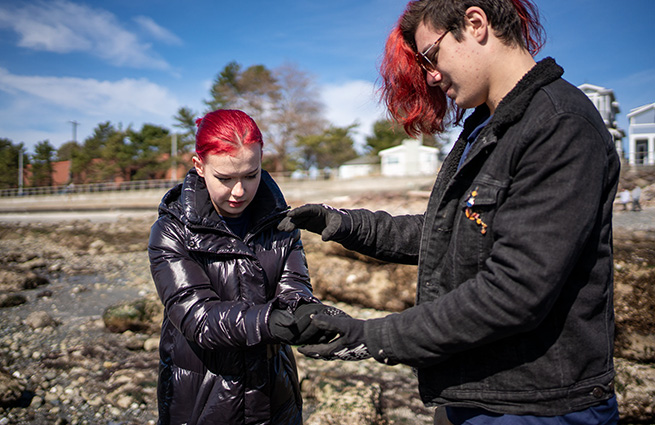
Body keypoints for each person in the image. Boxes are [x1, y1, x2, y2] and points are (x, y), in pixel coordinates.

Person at [279, 0, 620, 423]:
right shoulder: (484, 128)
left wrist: (372, 336)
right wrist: (344, 223)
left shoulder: (559, 124)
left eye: (430, 56)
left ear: (475, 24)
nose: (431, 75)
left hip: (539, 404)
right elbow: (450, 233)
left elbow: (515, 292)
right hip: (475, 395)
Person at [148, 109, 343, 425]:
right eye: (224, 178)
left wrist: (308, 314)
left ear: (261, 160)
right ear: (200, 167)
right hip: (201, 398)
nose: (239, 192)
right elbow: (198, 319)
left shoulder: (281, 223)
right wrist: (271, 322)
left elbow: (295, 288)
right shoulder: (171, 232)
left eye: (251, 175)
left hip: (274, 395)